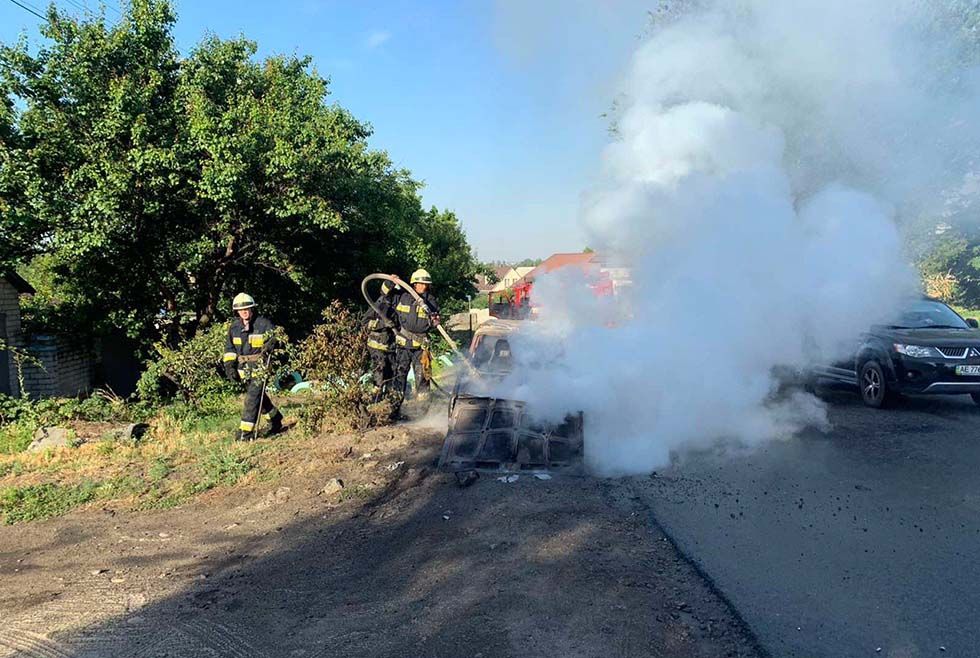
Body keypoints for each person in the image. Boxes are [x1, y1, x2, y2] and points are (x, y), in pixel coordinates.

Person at [222, 293, 283, 440]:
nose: (244, 312)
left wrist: (274, 343)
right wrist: (230, 367)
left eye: (247, 309)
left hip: (261, 367)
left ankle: (246, 432)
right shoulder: (234, 328)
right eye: (241, 310)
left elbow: (278, 339)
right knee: (259, 398)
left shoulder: (264, 324)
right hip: (243, 370)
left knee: (252, 398)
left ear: (252, 309)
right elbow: (229, 350)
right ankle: (275, 419)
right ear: (236, 311)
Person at [390, 269, 440, 409]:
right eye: (421, 283)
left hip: (420, 347)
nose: (423, 286)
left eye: (426, 284)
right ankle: (393, 408)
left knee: (422, 377)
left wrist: (435, 320)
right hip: (403, 345)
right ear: (414, 284)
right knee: (399, 375)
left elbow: (435, 321)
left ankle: (422, 411)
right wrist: (390, 282)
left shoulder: (430, 301)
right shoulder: (403, 296)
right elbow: (385, 296)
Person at [362, 281, 397, 401]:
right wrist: (383, 323)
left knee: (392, 371)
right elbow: (365, 323)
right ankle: (375, 399)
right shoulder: (378, 305)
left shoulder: (396, 305)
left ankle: (389, 399)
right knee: (379, 371)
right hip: (376, 345)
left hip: (390, 345)